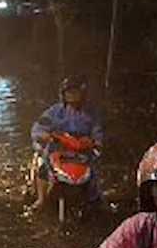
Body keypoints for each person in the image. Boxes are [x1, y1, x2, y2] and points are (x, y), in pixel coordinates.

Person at [31, 76, 105, 210]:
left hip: (81, 152)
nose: (72, 95)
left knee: (94, 171)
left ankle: (95, 198)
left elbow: (97, 132)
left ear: (82, 93)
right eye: (69, 92)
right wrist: (45, 135)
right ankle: (41, 199)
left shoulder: (91, 113)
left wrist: (95, 141)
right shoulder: (55, 112)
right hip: (57, 150)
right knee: (43, 168)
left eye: (75, 92)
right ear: (63, 94)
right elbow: (39, 128)